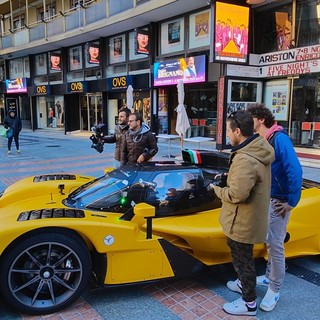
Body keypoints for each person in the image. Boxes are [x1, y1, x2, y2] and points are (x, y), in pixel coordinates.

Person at [210, 110, 274, 316]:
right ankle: (242, 284)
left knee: (243, 260)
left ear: (237, 131)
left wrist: (217, 190)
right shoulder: (257, 148)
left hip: (243, 221)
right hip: (250, 217)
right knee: (242, 257)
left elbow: (238, 194)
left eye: (228, 131)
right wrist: (230, 175)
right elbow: (250, 179)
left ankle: (248, 303)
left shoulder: (245, 158)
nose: (227, 135)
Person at [247, 104, 302, 312]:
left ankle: (274, 289)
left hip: (279, 200)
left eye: (250, 117)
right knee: (270, 242)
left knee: (275, 245)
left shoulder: (279, 139)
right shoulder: (265, 140)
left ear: (260, 119)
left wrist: (291, 201)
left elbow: (294, 169)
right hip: (268, 199)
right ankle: (269, 277)